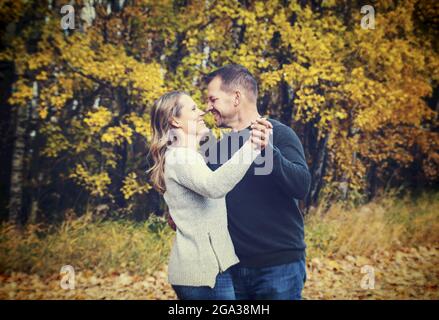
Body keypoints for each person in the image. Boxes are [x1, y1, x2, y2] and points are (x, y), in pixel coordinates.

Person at [200, 64, 311, 300]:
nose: (208, 107)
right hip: (230, 269)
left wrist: (266, 150)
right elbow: (205, 197)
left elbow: (301, 186)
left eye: (213, 99)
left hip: (278, 266)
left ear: (236, 97)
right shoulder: (217, 149)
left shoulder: (278, 134)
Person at [147, 91, 272, 300]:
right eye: (193, 109)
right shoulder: (181, 156)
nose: (202, 112)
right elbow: (214, 186)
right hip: (203, 274)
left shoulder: (185, 156)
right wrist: (252, 146)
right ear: (174, 120)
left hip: (208, 270)